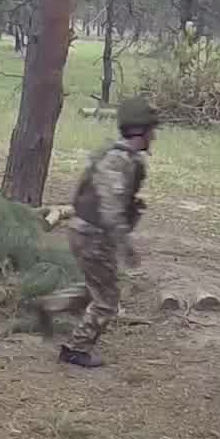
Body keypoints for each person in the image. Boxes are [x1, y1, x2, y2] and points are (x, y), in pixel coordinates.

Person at [29, 96, 157, 368]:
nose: (154, 136)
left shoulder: (117, 156)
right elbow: (110, 208)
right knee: (107, 300)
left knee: (96, 287)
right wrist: (125, 245)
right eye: (151, 131)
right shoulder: (119, 161)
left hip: (84, 230)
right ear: (141, 131)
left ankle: (50, 305)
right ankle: (76, 348)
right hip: (93, 235)